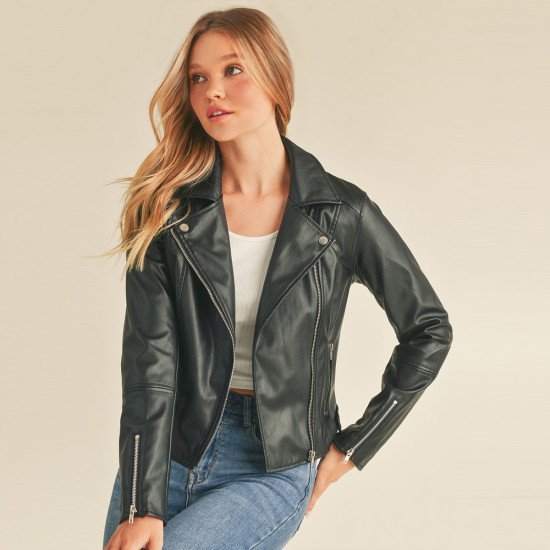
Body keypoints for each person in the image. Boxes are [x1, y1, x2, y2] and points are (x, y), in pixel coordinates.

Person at [101, 7, 453, 550]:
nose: (213, 90)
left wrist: (354, 447)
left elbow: (428, 328)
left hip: (273, 464)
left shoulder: (341, 213)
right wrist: (139, 504)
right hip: (166, 454)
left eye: (232, 70)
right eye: (198, 78)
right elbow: (151, 364)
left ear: (274, 76)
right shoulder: (167, 213)